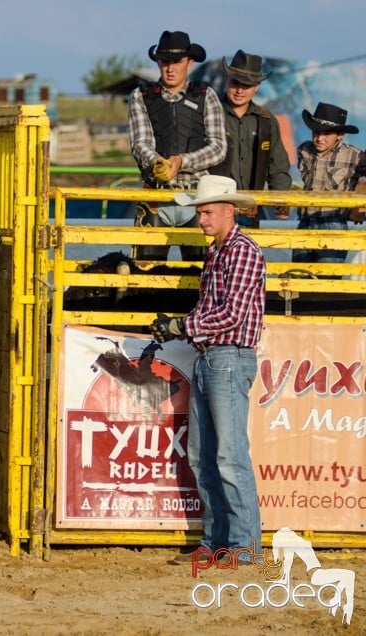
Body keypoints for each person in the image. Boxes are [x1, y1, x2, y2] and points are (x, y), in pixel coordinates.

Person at [149, 175, 264, 563]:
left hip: (227, 356)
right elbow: (218, 310)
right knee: (205, 454)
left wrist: (182, 326)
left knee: (228, 456)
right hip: (214, 356)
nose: (200, 219)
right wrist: (187, 324)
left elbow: (232, 313)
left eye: (207, 212)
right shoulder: (219, 252)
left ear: (229, 211)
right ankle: (219, 543)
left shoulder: (241, 251)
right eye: (199, 212)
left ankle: (242, 548)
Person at [128, 30, 226, 262]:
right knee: (145, 271)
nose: (170, 69)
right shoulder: (141, 96)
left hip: (197, 197)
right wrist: (157, 163)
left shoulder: (206, 95)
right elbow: (140, 143)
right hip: (156, 196)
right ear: (158, 63)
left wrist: (181, 161)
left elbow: (219, 147)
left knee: (201, 273)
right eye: (165, 62)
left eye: (177, 62)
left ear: (189, 63)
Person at [211, 50, 292, 228]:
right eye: (235, 83)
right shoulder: (210, 114)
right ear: (227, 80)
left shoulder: (266, 121)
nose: (240, 90)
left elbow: (277, 165)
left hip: (249, 210)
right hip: (214, 210)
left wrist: (282, 200)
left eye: (246, 85)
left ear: (257, 87)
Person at [293, 102, 366, 264]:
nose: (319, 138)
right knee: (298, 275)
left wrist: (360, 206)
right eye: (316, 132)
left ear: (340, 134)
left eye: (327, 133)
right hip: (305, 221)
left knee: (329, 277)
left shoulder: (354, 155)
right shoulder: (304, 150)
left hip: (334, 222)